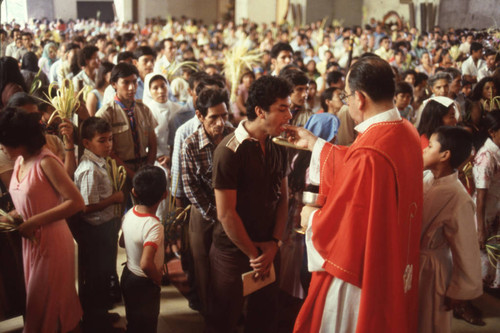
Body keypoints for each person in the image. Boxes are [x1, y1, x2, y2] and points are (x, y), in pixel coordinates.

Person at [287, 56, 423, 332]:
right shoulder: (405, 131)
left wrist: (312, 219)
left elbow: (348, 220)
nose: (347, 103)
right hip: (396, 259)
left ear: (359, 99)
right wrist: (317, 145)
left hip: (364, 273)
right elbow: (358, 168)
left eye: (347, 97)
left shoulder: (371, 153)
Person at [207, 76, 292, 333]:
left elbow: (283, 197)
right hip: (234, 253)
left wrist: (274, 243)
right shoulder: (230, 150)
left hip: (268, 247)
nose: (289, 115)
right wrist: (254, 255)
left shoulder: (279, 145)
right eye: (282, 109)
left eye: (289, 108)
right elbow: (226, 213)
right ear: (259, 111)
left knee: (265, 318)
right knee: (224, 319)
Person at [0, 108, 84, 332]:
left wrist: (34, 221)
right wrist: (16, 217)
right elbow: (31, 200)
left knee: (53, 304)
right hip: (32, 241)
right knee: (42, 304)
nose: (1, 148)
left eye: (4, 142)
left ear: (19, 140)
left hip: (52, 242)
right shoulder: (19, 161)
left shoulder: (46, 162)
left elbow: (76, 202)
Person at [418, 126, 482, 333]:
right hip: (414, 262)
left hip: (433, 269)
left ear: (445, 155)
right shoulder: (426, 178)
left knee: (429, 321)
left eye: (429, 147)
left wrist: (460, 290)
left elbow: (466, 249)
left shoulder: (458, 197)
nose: (424, 151)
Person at [181, 87, 234, 315]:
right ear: (200, 116)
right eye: (214, 117)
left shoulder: (235, 135)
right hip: (203, 211)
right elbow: (190, 186)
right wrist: (214, 213)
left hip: (232, 210)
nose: (221, 123)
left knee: (229, 261)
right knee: (202, 263)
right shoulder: (190, 144)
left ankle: (231, 310)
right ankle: (209, 312)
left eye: (224, 116)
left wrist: (227, 213)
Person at [74, 117, 125, 332]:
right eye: (102, 141)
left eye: (110, 140)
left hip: (104, 228)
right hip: (95, 231)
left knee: (104, 274)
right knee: (96, 277)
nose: (108, 145)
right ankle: (96, 322)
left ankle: (101, 314)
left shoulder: (100, 162)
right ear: (87, 143)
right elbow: (85, 207)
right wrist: (114, 199)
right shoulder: (88, 170)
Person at [120, 165, 166, 333]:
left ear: (134, 192)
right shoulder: (154, 226)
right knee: (147, 326)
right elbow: (146, 264)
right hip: (144, 283)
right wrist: (157, 278)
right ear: (165, 195)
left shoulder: (130, 213)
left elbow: (122, 243)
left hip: (128, 276)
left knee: (133, 321)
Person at [96, 62, 157, 185]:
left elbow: (153, 143)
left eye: (134, 82)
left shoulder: (143, 109)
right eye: (126, 82)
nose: (132, 87)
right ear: (114, 84)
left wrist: (146, 171)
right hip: (119, 174)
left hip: (143, 169)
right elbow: (109, 152)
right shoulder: (106, 114)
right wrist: (131, 174)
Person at [473, 110, 500, 290]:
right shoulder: (486, 157)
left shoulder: (496, 152)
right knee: (483, 256)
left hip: (495, 211)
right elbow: (481, 197)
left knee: (492, 256)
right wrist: (481, 229)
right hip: (484, 215)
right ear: (493, 132)